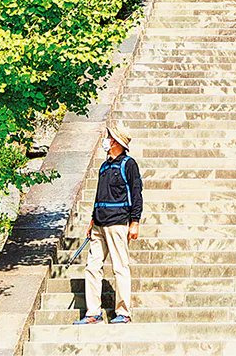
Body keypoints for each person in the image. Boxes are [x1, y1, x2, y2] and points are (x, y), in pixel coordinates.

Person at [75, 124, 143, 325]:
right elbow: (99, 195)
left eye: (109, 137)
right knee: (92, 267)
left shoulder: (129, 165)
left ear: (117, 142)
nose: (106, 139)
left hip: (118, 222)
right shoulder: (104, 166)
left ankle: (123, 312)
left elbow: (136, 193)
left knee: (120, 267)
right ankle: (93, 313)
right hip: (99, 223)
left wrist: (135, 221)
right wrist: (92, 220)